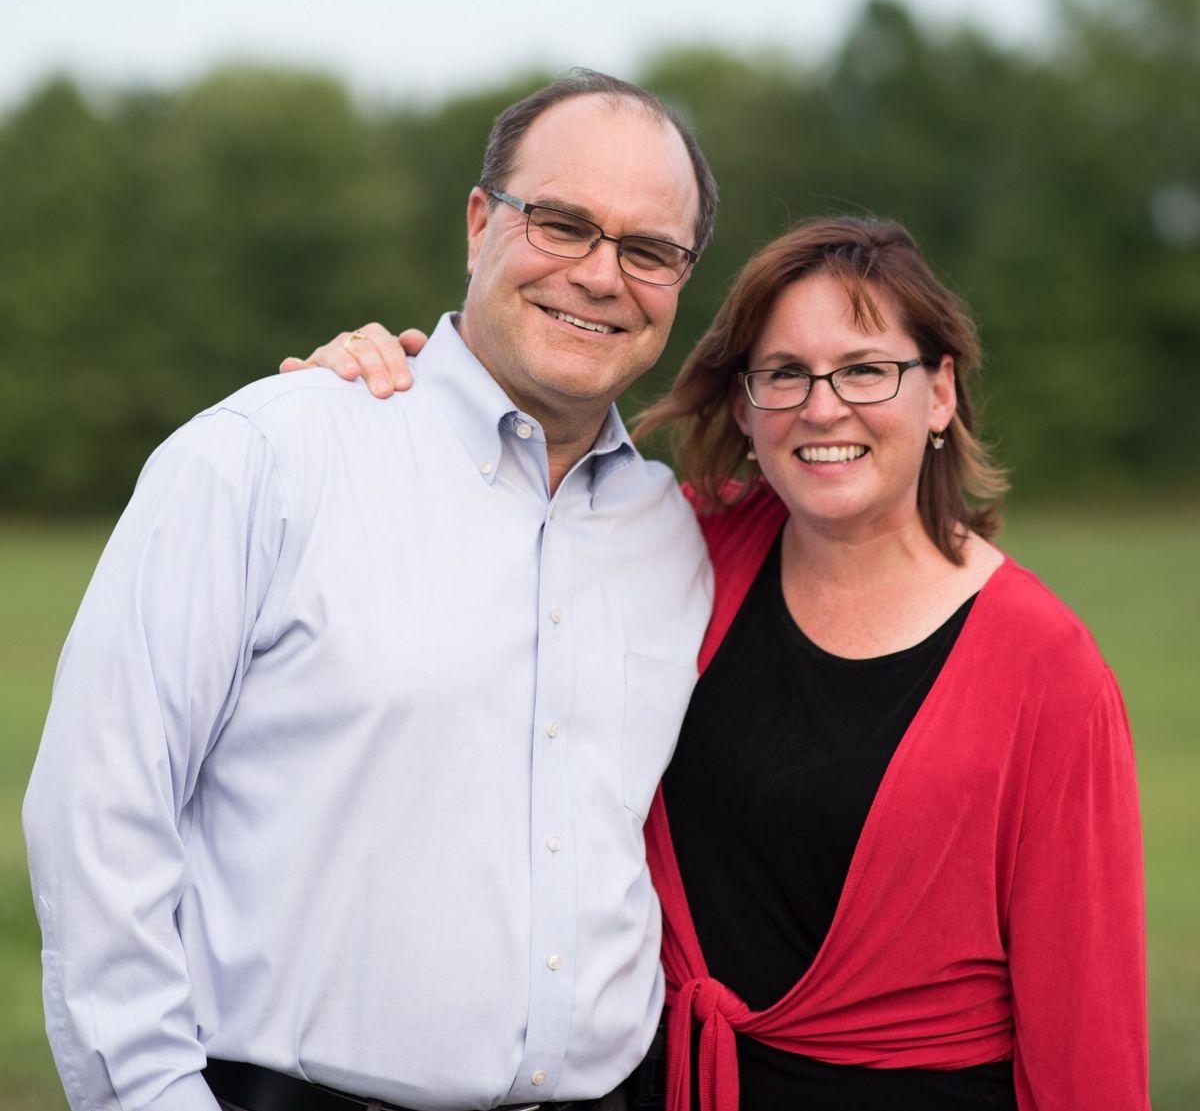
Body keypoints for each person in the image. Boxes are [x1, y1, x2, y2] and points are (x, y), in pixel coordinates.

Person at [298, 216, 1149, 1110]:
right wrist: (381, 400)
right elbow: (497, 512)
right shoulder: (678, 547)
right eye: (784, 373)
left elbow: (1088, 1030)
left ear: (938, 393)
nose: (823, 407)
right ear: (744, 406)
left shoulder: (1047, 669)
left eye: (865, 368)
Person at [22, 70, 718, 1111]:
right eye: (563, 223)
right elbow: (101, 816)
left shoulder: (678, 537)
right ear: (480, 222)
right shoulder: (266, 458)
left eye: (647, 249)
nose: (599, 274)